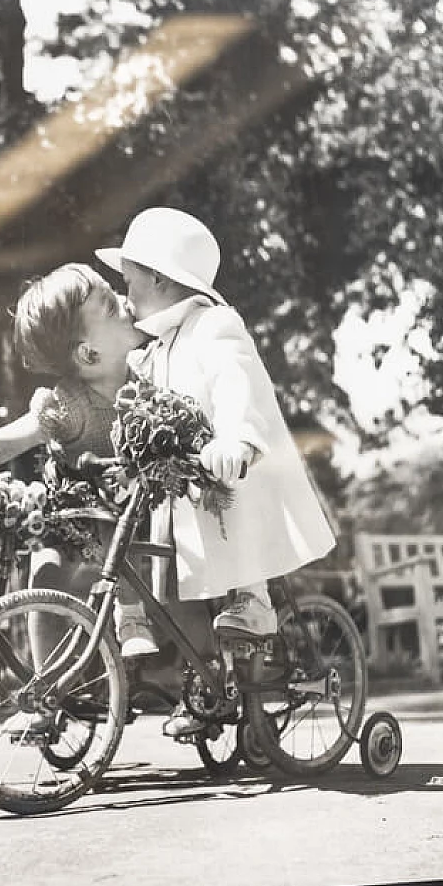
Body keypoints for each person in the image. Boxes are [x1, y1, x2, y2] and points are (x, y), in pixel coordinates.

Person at [97, 207, 335, 650]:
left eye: (129, 281)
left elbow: (235, 380)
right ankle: (208, 691)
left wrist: (237, 436)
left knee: (236, 523)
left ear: (159, 280)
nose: (124, 295)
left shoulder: (214, 325)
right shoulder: (160, 346)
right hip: (192, 479)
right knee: (178, 565)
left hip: (232, 462)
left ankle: (255, 598)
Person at [0, 263, 157, 660]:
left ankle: (134, 619)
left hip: (134, 514)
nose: (125, 302)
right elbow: (2, 444)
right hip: (73, 513)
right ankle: (47, 689)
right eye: (110, 306)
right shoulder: (69, 404)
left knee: (127, 535)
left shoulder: (150, 377)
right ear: (88, 353)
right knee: (44, 576)